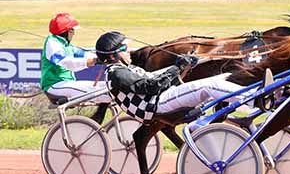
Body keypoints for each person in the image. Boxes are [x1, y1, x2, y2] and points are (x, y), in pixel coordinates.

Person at [95, 31, 253, 123]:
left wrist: (179, 65)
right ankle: (254, 99)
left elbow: (153, 76)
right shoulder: (116, 73)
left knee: (224, 77)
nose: (128, 51)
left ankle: (253, 96)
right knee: (209, 86)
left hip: (160, 98)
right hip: (157, 104)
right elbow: (151, 86)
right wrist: (177, 67)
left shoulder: (123, 69)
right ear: (112, 55)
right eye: (124, 48)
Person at [40, 13, 110, 103]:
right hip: (55, 85)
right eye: (72, 30)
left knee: (107, 87)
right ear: (66, 31)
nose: (74, 34)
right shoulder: (52, 43)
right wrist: (94, 61)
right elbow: (67, 63)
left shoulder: (67, 45)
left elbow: (85, 54)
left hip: (67, 84)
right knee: (101, 94)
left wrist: (105, 56)